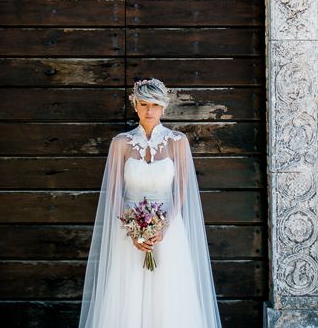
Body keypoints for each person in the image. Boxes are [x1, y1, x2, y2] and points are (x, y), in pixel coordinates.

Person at [78, 77, 222, 328]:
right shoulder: (120, 143)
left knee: (169, 294)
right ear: (135, 106)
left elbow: (181, 190)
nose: (149, 111)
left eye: (155, 105)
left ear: (164, 107)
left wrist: (164, 227)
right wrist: (131, 228)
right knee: (128, 293)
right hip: (129, 233)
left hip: (169, 229)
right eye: (143, 104)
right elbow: (113, 192)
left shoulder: (177, 142)